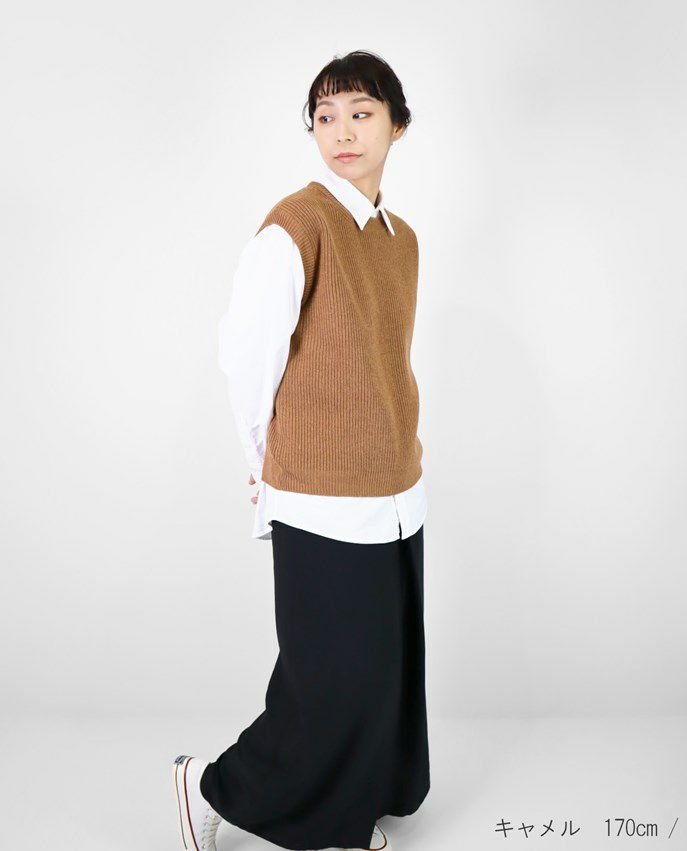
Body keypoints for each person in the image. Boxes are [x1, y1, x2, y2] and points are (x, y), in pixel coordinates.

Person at [172, 49, 430, 851]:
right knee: (327, 675)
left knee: (380, 669)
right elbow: (247, 354)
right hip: (320, 491)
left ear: (396, 125)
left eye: (360, 113)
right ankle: (211, 785)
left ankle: (350, 807)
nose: (341, 131)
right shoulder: (298, 223)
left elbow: (382, 359)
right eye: (324, 116)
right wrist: (265, 463)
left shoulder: (399, 239)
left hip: (394, 487)